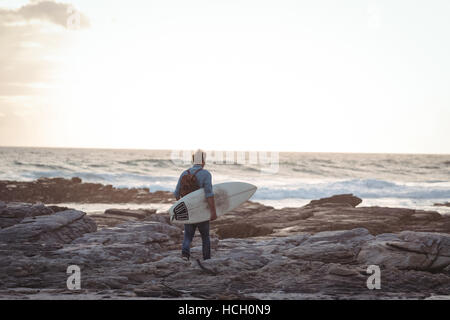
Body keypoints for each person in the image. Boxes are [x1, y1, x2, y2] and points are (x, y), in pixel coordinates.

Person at [174, 149, 217, 261]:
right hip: (202, 210)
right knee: (205, 236)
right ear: (203, 160)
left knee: (188, 235)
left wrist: (182, 206)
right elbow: (209, 194)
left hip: (189, 210)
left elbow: (176, 193)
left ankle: (185, 255)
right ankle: (206, 259)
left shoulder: (184, 173)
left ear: (193, 160)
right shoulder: (206, 174)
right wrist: (213, 211)